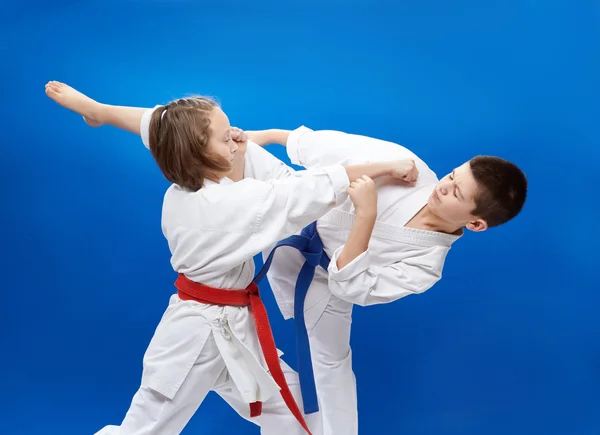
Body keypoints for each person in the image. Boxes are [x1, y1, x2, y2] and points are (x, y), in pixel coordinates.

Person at [44, 81, 419, 435]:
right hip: (195, 338)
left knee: (297, 417)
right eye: (226, 139)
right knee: (145, 429)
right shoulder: (226, 206)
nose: (238, 141)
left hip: (236, 333)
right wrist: (384, 167)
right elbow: (309, 189)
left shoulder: (185, 185)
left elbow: (163, 125)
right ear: (200, 152)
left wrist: (99, 111)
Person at [246, 127, 528, 435]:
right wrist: (268, 136)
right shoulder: (408, 168)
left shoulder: (425, 265)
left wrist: (366, 214)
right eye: (451, 176)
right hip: (291, 212)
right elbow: (330, 146)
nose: (443, 187)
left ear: (474, 223)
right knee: (239, 163)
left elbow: (350, 287)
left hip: (326, 280)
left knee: (332, 362)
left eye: (456, 193)